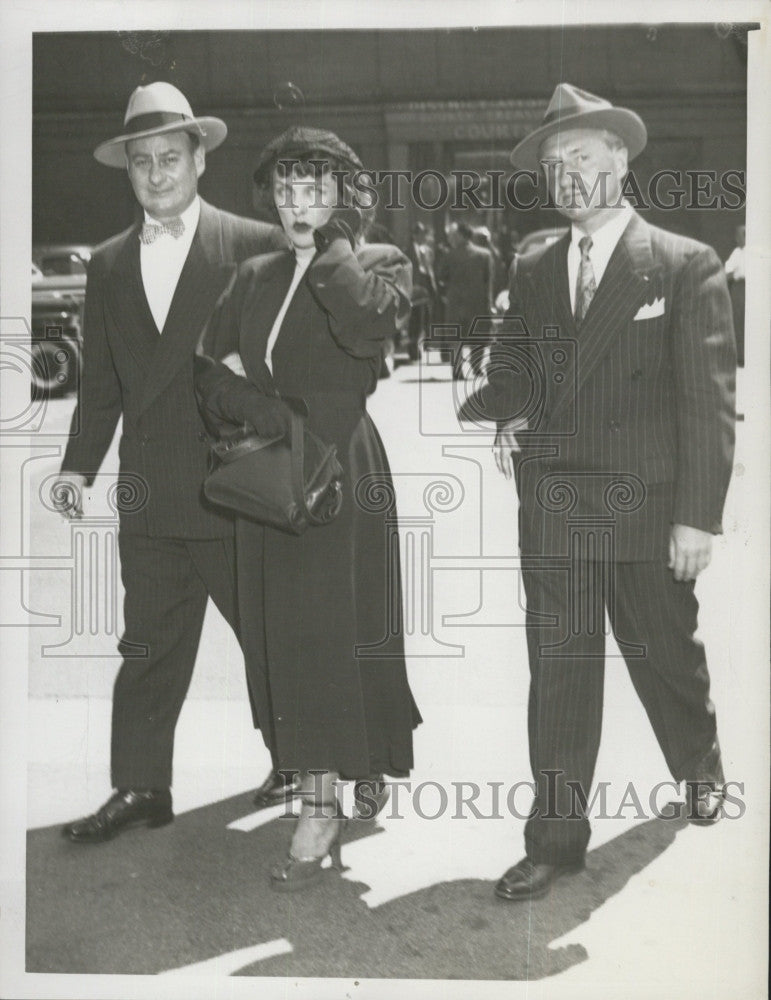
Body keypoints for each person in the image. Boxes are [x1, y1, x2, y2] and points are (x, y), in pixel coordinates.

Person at [490, 83, 736, 900]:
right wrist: (509, 416)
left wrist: (695, 517)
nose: (566, 175)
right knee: (558, 674)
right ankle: (555, 841)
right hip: (557, 505)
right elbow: (514, 365)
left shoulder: (680, 262)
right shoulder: (530, 263)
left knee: (663, 654)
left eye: (581, 157)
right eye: (553, 163)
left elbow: (707, 401)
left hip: (644, 505)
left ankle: (698, 767)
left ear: (619, 160)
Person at [53, 82, 287, 843]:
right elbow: (105, 380)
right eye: (141, 162)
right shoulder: (111, 261)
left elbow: (288, 367)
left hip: (236, 484)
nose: (156, 175)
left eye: (170, 158)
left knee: (271, 634)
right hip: (151, 491)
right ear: (126, 172)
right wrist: (76, 467)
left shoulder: (255, 243)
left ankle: (301, 759)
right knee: (148, 646)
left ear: (200, 160)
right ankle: (141, 786)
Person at [194, 126, 421, 891]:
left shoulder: (375, 264)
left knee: (342, 629)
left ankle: (333, 795)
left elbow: (367, 333)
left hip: (341, 471)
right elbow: (208, 370)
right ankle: (326, 782)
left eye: (314, 188)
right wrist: (262, 413)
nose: (297, 205)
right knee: (288, 637)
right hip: (272, 467)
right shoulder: (249, 273)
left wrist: (332, 248)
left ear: (342, 196)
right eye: (286, 190)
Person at [438, 220, 494, 379]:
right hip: (477, 303)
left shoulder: (450, 255)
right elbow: (488, 282)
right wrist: (489, 304)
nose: (453, 238)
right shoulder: (484, 255)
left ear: (462, 236)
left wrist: (448, 290)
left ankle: (457, 370)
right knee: (478, 335)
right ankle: (476, 367)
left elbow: (441, 276)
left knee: (455, 337)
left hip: (455, 303)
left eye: (455, 235)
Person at [724, 223, 746, 366]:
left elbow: (727, 273)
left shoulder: (741, 252)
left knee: (742, 321)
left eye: (739, 235)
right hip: (743, 288)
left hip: (748, 289)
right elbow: (728, 273)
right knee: (739, 321)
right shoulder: (739, 252)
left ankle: (743, 356)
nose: (736, 239)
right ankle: (741, 356)